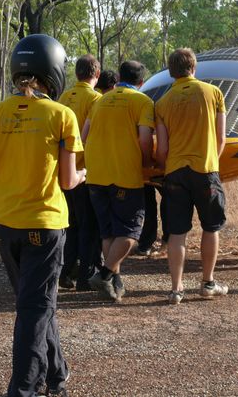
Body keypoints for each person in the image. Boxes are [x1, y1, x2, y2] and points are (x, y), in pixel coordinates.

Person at [0, 34, 85, 397]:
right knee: (35, 309)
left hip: (4, 224)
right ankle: (23, 388)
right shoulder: (61, 115)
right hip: (44, 223)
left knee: (36, 303)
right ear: (53, 70)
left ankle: (56, 376)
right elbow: (69, 181)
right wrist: (84, 174)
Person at [155, 47, 228, 305]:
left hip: (175, 173)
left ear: (171, 72)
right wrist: (211, 161)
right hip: (206, 170)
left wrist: (168, 167)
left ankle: (176, 289)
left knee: (177, 233)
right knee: (211, 227)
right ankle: (207, 283)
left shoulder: (162, 103)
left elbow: (162, 149)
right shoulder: (213, 93)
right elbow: (221, 139)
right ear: (194, 68)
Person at [83, 61, 155, 301]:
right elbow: (145, 140)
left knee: (109, 232)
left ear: (118, 78)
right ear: (141, 83)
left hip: (95, 175)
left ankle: (113, 280)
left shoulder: (100, 100)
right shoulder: (143, 102)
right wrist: (146, 163)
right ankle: (103, 274)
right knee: (131, 231)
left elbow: (84, 136)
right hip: (125, 174)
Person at [58, 54, 103, 290]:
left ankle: (67, 272)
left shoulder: (63, 97)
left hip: (64, 171)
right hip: (85, 171)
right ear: (96, 74)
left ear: (77, 74)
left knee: (70, 224)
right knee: (89, 226)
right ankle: (86, 276)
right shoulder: (96, 99)